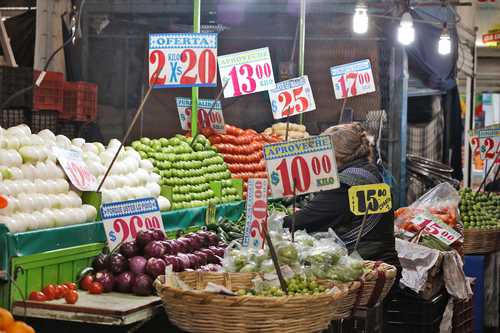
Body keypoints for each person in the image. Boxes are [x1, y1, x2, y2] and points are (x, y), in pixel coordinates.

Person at [283, 123, 401, 271]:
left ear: (334, 154)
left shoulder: (344, 184)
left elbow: (300, 222)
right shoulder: (367, 170)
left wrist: (272, 222)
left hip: (362, 270)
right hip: (382, 263)